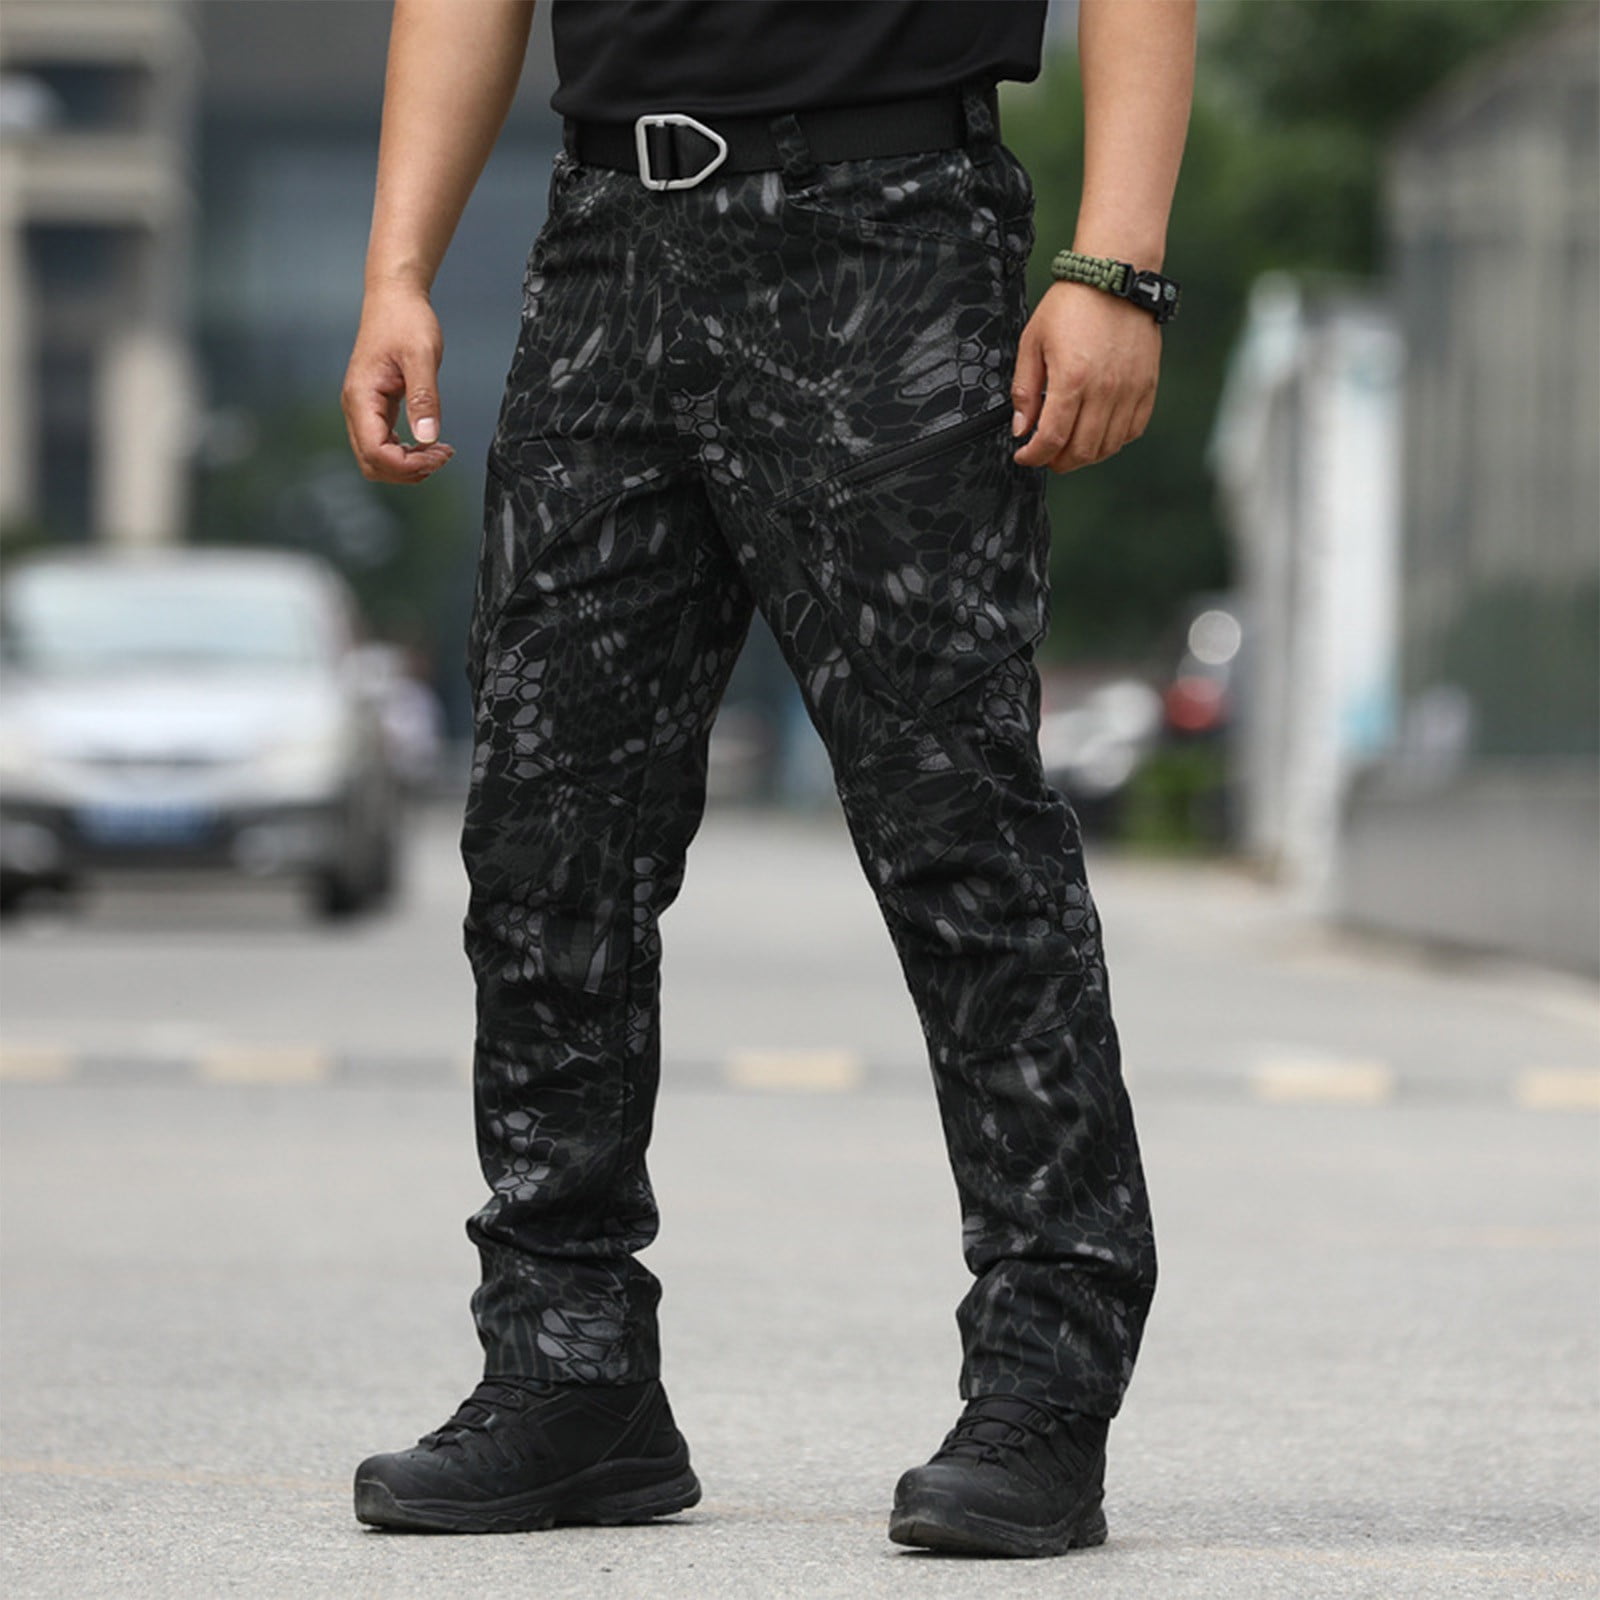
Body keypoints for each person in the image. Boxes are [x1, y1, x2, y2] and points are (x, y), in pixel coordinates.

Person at [340, 0, 1193, 1558]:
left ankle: (1044, 1377)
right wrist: (400, 267)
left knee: (955, 826)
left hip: (888, 231)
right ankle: (569, 1366)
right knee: (546, 836)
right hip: (606, 243)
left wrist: (1116, 262)